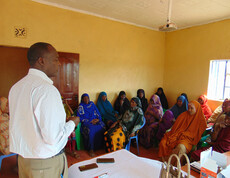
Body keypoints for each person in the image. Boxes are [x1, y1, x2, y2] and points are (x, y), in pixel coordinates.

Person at [9, 42, 80, 178]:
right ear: (41, 61)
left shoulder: (16, 88)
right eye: (56, 59)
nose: (59, 64)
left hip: (24, 160)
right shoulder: (46, 90)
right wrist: (72, 123)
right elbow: (53, 138)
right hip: (45, 164)